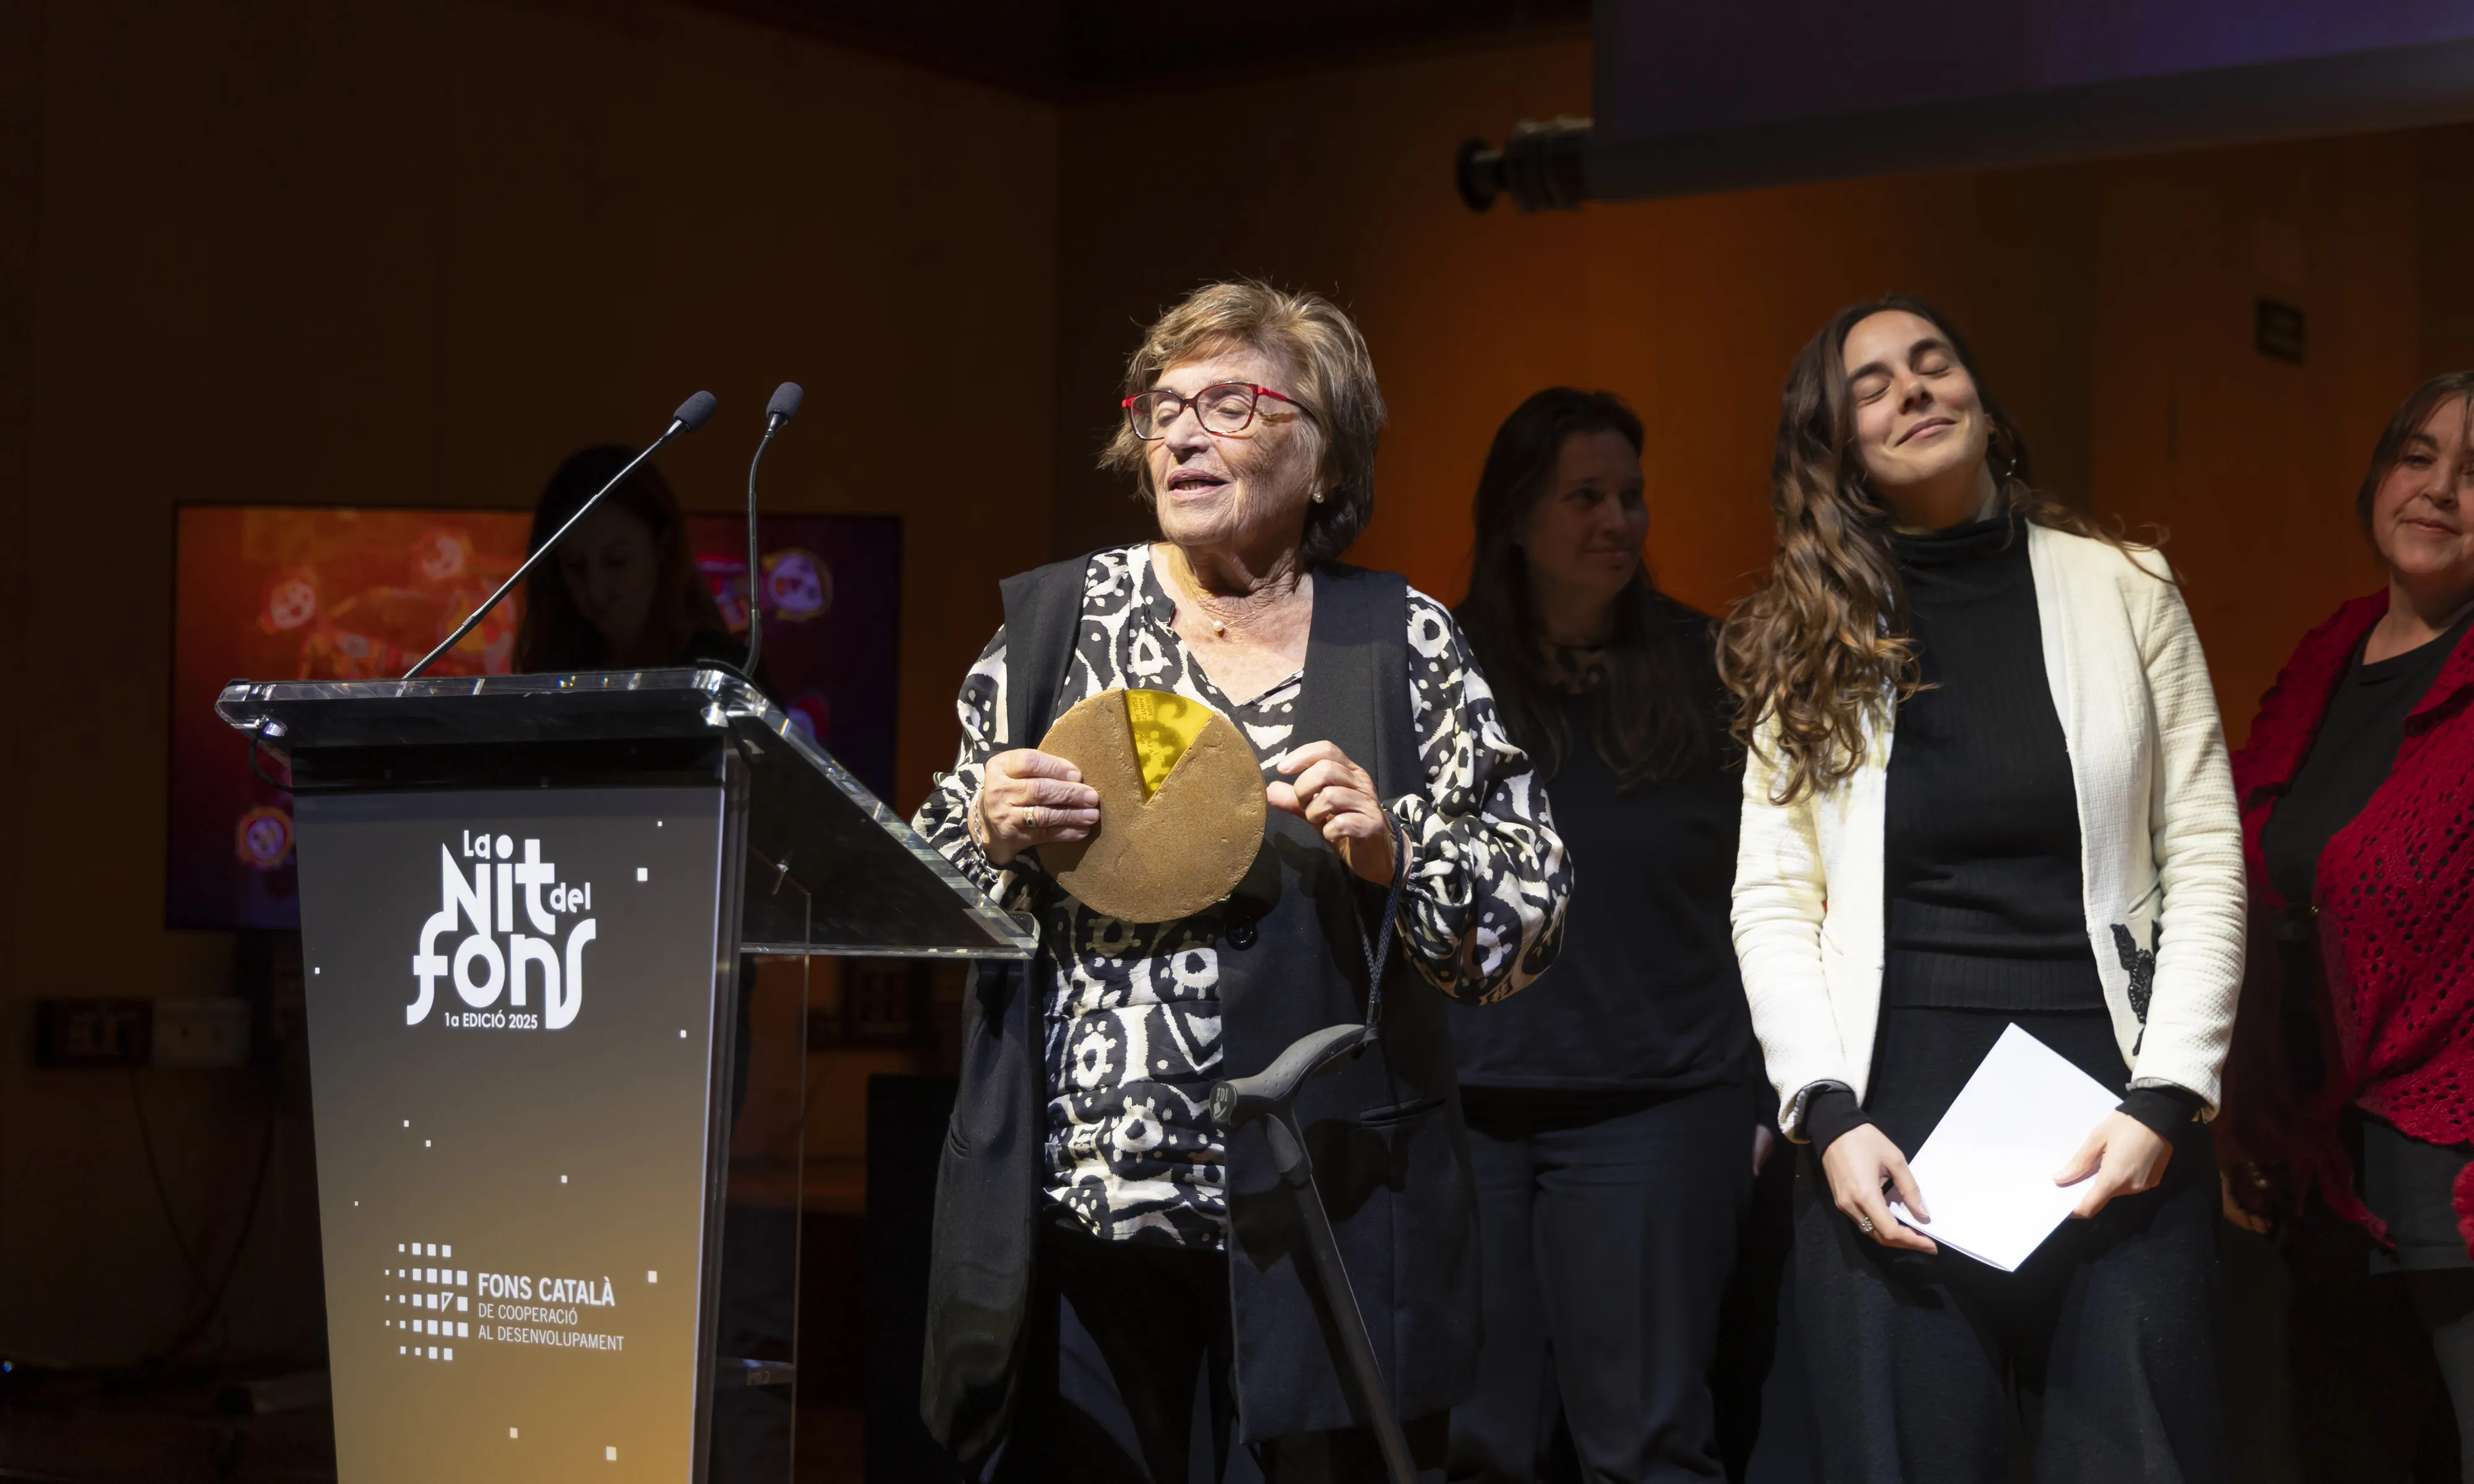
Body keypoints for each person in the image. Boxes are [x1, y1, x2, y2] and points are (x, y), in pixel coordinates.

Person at [912, 280, 1572, 1482]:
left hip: (1325, 1220)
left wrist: (1393, 848)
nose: (1180, 435)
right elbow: (924, 886)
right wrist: (987, 825)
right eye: (1161, 409)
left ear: (1327, 458)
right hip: (1091, 1223)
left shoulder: (1401, 640)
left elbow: (1523, 923)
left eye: (1230, 404)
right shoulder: (1056, 626)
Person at [1723, 295, 2245, 1483]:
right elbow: (1774, 898)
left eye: (1933, 363)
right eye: (1871, 386)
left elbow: (2206, 851)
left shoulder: (2126, 586)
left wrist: (2170, 1093)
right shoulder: (1807, 634)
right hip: (1889, 1129)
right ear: (1836, 447)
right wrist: (1827, 1113)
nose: (1912, 389)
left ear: (1983, 403)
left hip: (2118, 1118)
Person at [1445, 388, 1775, 1484]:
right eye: (1583, 497)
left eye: (1630, 496)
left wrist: (1765, 1091)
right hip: (1467, 1105)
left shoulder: (1710, 668)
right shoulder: (1440, 672)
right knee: (1473, 1446)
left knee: (1647, 1445)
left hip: (1660, 1102)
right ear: (1514, 516)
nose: (1617, 521)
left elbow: (1773, 891)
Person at [2218, 372, 2474, 1482]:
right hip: (2317, 1151)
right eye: (2417, 457)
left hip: (2452, 1153)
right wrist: (2249, 1108)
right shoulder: (2330, 652)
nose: (2440, 489)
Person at [515, 445, 746, 674]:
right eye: (575, 566)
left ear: (662, 549)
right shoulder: (555, 667)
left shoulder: (721, 672)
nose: (596, 590)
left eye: (617, 562)